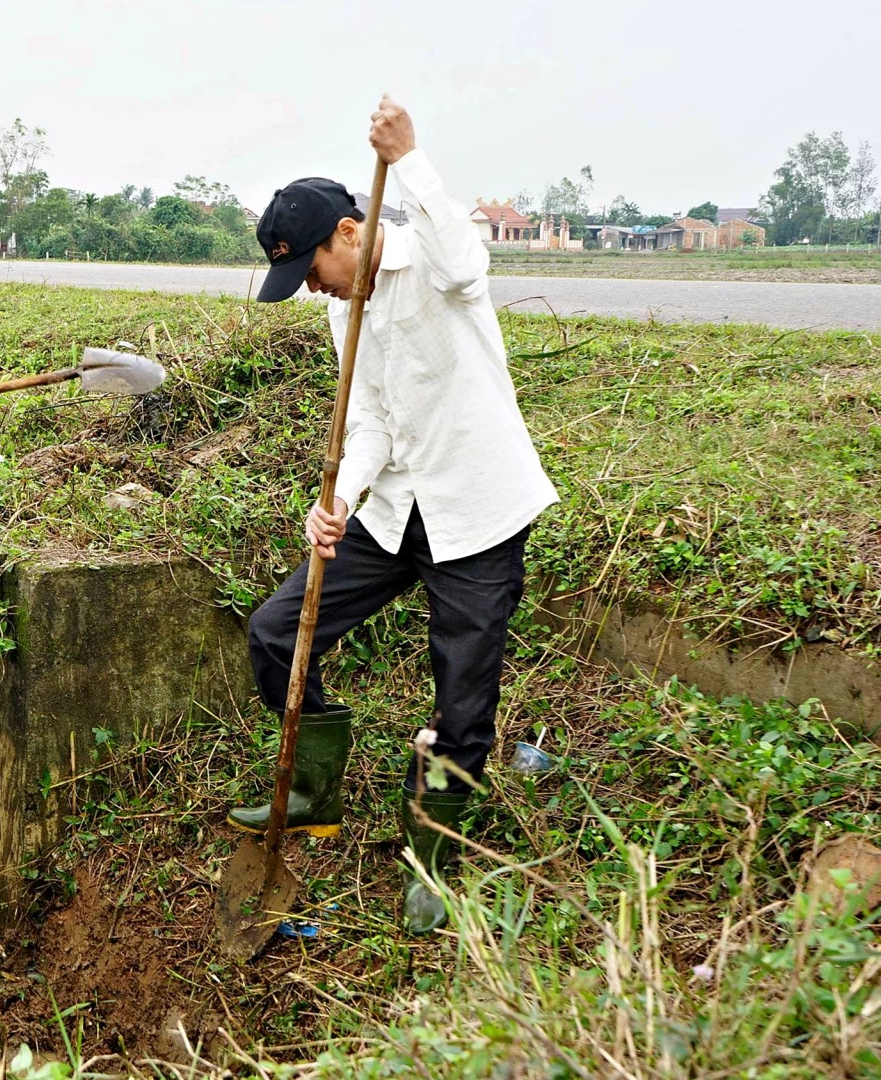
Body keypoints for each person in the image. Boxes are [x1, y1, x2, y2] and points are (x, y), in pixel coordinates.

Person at [228, 96, 558, 936]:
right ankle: (313, 788)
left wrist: (409, 157)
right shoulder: (347, 308)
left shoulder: (434, 266)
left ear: (348, 231)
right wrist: (336, 499)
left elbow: (468, 262)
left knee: (462, 704)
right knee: (276, 632)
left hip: (476, 511)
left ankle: (434, 859)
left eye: (310, 268)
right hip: (395, 508)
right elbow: (370, 418)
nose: (310, 289)